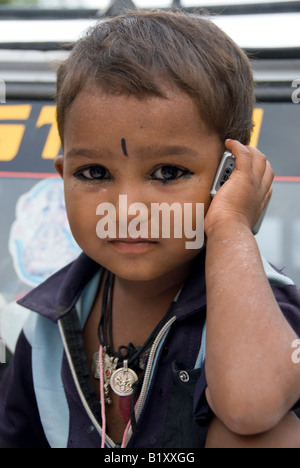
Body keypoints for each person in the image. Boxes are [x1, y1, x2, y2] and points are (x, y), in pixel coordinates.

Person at [1, 9, 300, 449]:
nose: (127, 208)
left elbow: (252, 406)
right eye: (95, 173)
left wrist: (231, 227)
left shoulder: (266, 311)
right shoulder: (44, 327)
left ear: (230, 176)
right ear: (62, 175)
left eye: (166, 172)